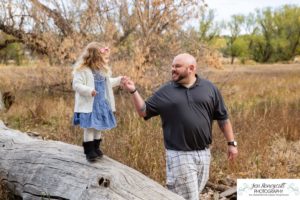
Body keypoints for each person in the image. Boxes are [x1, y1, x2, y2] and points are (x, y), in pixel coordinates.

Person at [121, 53, 238, 200]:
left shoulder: (209, 88)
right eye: (172, 66)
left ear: (191, 68)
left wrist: (231, 143)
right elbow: (144, 111)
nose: (173, 69)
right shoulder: (166, 91)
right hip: (179, 154)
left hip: (204, 153)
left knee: (193, 193)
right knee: (188, 197)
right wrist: (133, 91)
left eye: (177, 66)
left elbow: (223, 119)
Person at [72, 42, 122, 162]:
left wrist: (120, 80)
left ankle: (96, 147)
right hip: (89, 105)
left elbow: (108, 83)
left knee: (98, 127)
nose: (105, 61)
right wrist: (89, 91)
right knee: (89, 128)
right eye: (103, 58)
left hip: (100, 105)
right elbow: (76, 85)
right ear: (94, 58)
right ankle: (89, 150)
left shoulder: (101, 71)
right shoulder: (82, 70)